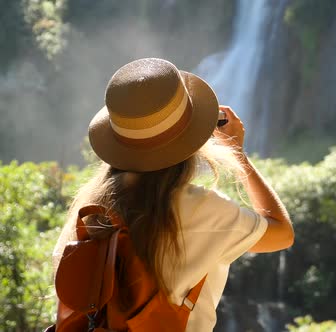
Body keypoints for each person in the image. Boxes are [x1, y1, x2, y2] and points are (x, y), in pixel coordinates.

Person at [52, 57, 294, 331]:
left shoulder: (90, 206)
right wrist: (238, 156)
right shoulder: (203, 210)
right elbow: (282, 233)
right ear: (194, 136)